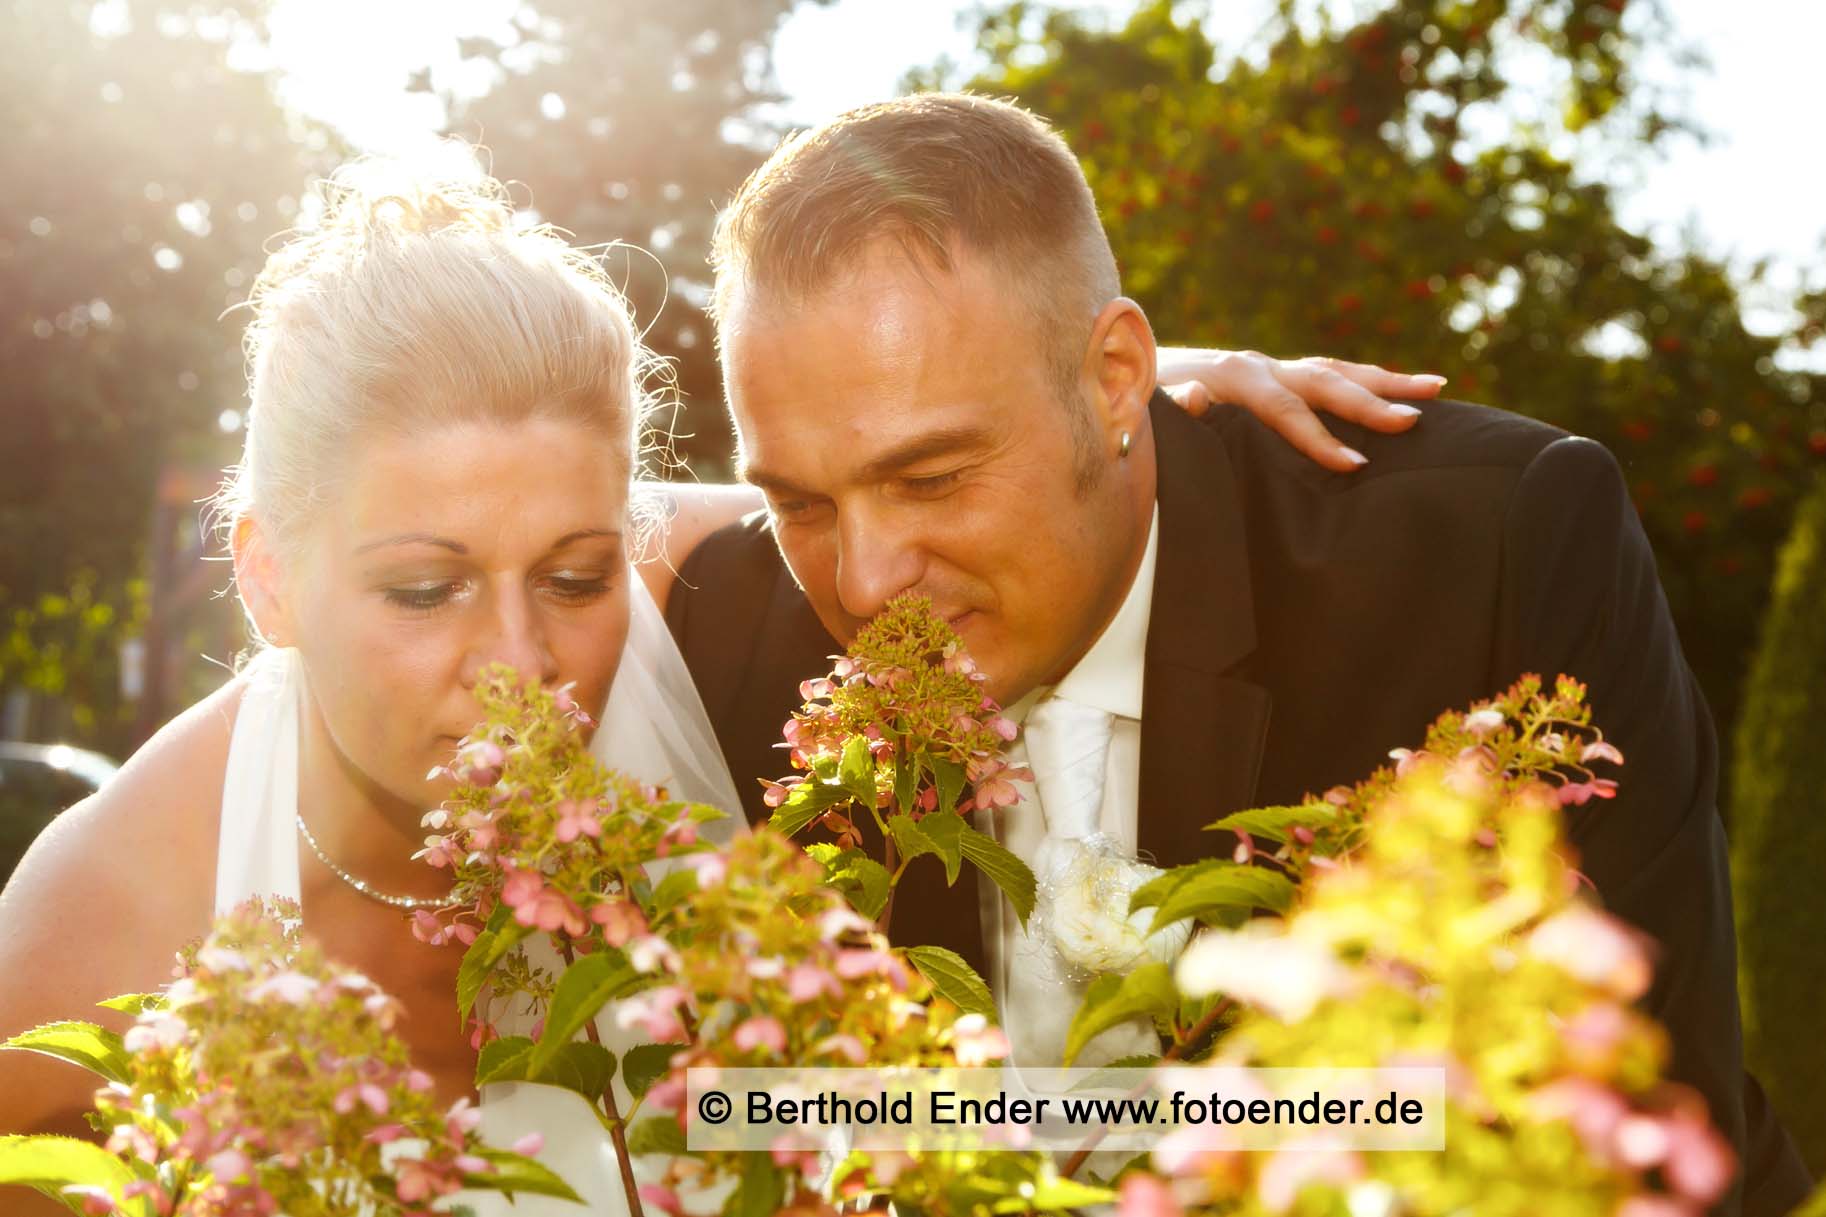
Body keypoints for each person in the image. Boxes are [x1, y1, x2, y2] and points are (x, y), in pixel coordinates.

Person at [0, 154, 1432, 1215]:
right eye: (423, 588)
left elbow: (899, 449)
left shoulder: (687, 577)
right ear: (265, 577)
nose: (520, 665)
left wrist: (1118, 381)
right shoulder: (98, 921)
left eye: (572, 577)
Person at [664, 93, 1812, 1215]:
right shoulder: (719, 632)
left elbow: (1644, 1119)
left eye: (931, 478)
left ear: (1115, 377)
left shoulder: (1488, 550)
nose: (862, 583)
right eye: (798, 501)